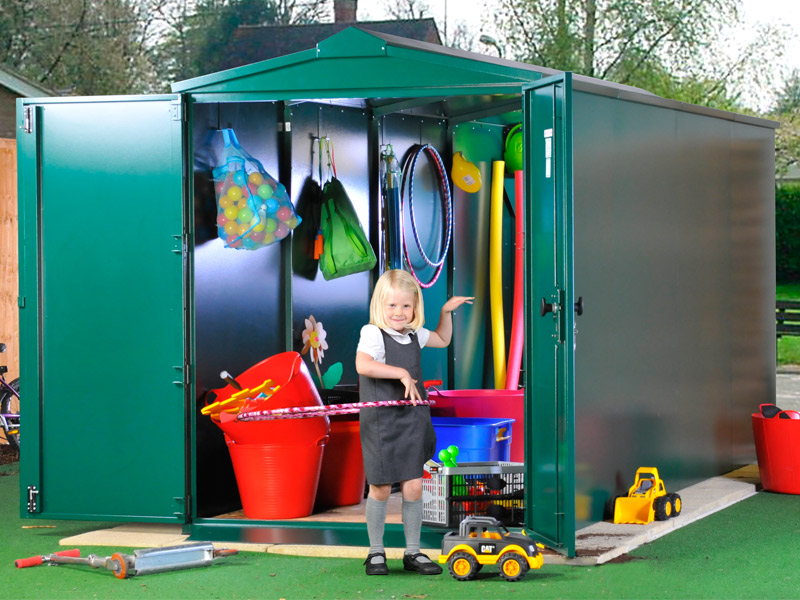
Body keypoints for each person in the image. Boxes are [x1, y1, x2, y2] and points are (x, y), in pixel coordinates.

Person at [355, 269, 473, 576]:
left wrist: (446, 311)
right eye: (391, 306)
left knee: (414, 487)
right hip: (382, 421)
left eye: (406, 306)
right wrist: (402, 374)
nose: (398, 312)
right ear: (379, 305)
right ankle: (375, 552)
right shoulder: (372, 333)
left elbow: (444, 339)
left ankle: (412, 552)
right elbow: (363, 364)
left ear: (415, 307)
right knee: (380, 487)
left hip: (411, 418)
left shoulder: (414, 334)